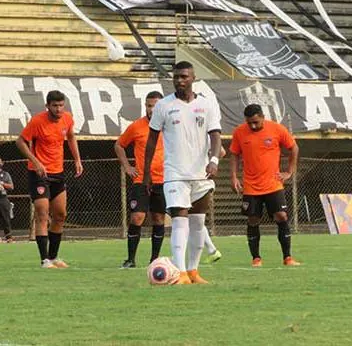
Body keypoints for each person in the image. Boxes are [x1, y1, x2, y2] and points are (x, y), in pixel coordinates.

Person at [144, 61, 222, 285]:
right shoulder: (164, 106)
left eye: (184, 76)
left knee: (198, 222)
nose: (179, 80)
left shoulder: (207, 105)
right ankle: (179, 273)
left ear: (193, 77)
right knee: (180, 220)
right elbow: (152, 140)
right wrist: (148, 172)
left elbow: (215, 135)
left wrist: (214, 160)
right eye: (176, 76)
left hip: (201, 174)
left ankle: (193, 271)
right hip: (175, 173)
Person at [16, 90, 83, 269]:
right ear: (47, 106)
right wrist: (36, 161)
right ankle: (44, 259)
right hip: (39, 174)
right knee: (42, 213)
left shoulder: (67, 118)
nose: (58, 109)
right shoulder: (37, 121)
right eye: (55, 105)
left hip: (58, 172)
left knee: (60, 215)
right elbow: (20, 141)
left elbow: (70, 137)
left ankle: (53, 257)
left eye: (61, 105)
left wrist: (77, 159)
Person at [229, 104, 300, 267]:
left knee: (281, 216)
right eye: (249, 123)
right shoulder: (239, 132)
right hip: (251, 186)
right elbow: (234, 154)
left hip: (273, 184)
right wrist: (233, 176)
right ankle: (256, 258)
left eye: (255, 122)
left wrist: (289, 171)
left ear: (262, 117)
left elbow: (294, 148)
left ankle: (287, 258)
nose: (252, 126)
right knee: (253, 219)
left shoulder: (277, 129)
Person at [115, 91, 166, 268]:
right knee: (137, 217)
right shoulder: (136, 126)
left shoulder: (169, 126)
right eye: (149, 105)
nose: (152, 109)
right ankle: (130, 259)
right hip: (142, 181)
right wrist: (127, 167)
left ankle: (155, 259)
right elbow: (119, 145)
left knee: (159, 218)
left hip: (163, 180)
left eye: (155, 106)